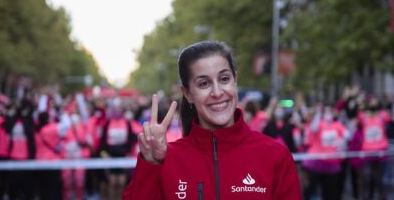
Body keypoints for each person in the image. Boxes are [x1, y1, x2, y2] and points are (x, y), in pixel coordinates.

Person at [123, 41, 301, 199]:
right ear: (188, 94)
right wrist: (151, 164)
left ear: (235, 80)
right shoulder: (167, 159)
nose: (217, 92)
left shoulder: (275, 155)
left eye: (224, 79)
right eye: (203, 83)